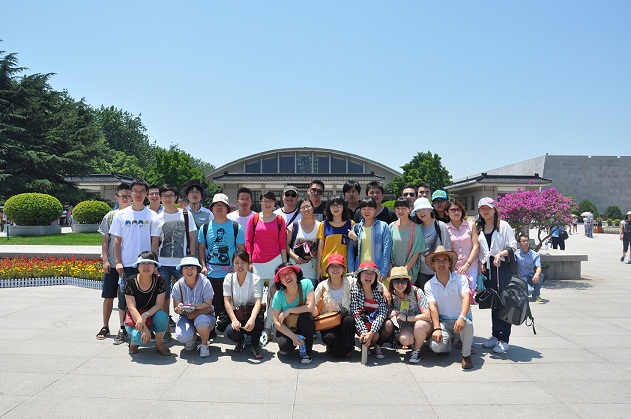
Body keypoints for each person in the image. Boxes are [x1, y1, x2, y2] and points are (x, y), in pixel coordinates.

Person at [109, 179, 160, 345]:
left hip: (146, 265)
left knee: (147, 298)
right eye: (135, 191)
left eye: (142, 191)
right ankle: (122, 329)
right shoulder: (121, 215)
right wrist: (118, 262)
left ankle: (147, 328)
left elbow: (154, 243)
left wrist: (154, 264)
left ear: (146, 194)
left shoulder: (152, 216)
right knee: (124, 298)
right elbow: (117, 241)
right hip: (127, 264)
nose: (138, 194)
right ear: (131, 193)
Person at [151, 185, 198, 341]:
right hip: (163, 264)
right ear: (161, 198)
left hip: (182, 264)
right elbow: (154, 244)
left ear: (176, 197)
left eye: (170, 195)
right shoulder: (157, 218)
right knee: (164, 299)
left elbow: (192, 238)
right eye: (164, 195)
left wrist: (192, 260)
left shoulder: (185, 214)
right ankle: (165, 330)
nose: (167, 198)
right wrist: (154, 264)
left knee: (187, 297)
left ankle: (188, 328)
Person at [476, 197, 517, 354]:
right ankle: (495, 335)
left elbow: (513, 247)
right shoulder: (479, 227)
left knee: (505, 304)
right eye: (482, 208)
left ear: (494, 210)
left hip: (503, 268)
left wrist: (500, 254)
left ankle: (504, 339)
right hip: (489, 270)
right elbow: (480, 249)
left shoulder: (503, 225)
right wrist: (480, 262)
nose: (485, 211)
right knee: (494, 303)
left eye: (488, 208)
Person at [424, 246, 474, 369]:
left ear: (450, 263)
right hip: (444, 322)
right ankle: (447, 343)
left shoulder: (461, 278)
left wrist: (462, 317)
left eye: (444, 260)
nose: (441, 264)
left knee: (467, 324)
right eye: (438, 261)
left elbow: (466, 298)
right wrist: (436, 328)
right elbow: (433, 308)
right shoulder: (429, 284)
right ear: (433, 264)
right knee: (437, 347)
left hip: (461, 321)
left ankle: (466, 355)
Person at [246, 190, 287, 333]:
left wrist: (284, 264)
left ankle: (268, 326)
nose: (268, 204)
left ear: (275, 203)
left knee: (273, 297)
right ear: (260, 202)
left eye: (270, 201)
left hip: (275, 262)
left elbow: (282, 243)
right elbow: (248, 241)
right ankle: (255, 325)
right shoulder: (254, 219)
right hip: (257, 263)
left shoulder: (280, 220)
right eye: (265, 201)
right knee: (256, 296)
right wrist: (249, 262)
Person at [198, 193, 245, 317]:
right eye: (216, 205)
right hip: (210, 273)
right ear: (211, 208)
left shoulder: (236, 227)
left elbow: (241, 250)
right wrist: (203, 266)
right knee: (211, 305)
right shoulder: (205, 227)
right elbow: (201, 248)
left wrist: (237, 267)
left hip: (229, 273)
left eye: (222, 205)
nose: (219, 208)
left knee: (229, 306)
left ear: (227, 208)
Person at [96, 183, 131, 341]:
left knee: (127, 297)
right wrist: (105, 260)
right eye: (122, 196)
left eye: (128, 196)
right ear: (117, 198)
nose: (125, 199)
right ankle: (105, 326)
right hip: (111, 262)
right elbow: (105, 240)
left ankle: (124, 327)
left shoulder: (135, 215)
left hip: (128, 263)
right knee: (109, 296)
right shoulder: (110, 216)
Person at [381, 267, 432, 364]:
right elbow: (385, 312)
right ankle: (416, 341)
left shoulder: (416, 292)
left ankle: (417, 350)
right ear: (391, 283)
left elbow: (427, 315)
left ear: (408, 282)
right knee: (404, 340)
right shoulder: (391, 296)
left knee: (419, 325)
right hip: (407, 327)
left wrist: (407, 318)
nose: (400, 284)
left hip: (423, 325)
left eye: (403, 280)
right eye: (396, 281)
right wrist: (390, 314)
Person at [124, 252, 170, 356]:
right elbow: (131, 307)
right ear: (138, 266)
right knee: (139, 338)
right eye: (143, 263)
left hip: (151, 315)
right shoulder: (130, 281)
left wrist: (145, 315)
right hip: (134, 317)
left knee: (162, 316)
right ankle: (133, 344)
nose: (146, 267)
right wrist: (143, 327)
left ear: (154, 266)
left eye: (150, 263)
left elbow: (159, 305)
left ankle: (159, 344)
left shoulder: (160, 281)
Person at [271, 263, 317, 364]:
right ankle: (293, 342)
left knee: (306, 317)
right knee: (285, 347)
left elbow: (310, 307)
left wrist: (289, 310)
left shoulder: (306, 284)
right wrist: (293, 336)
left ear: (296, 274)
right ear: (280, 281)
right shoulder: (278, 296)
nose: (287, 276)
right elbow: (276, 321)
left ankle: (307, 353)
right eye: (283, 275)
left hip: (302, 323)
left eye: (290, 272)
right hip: (286, 326)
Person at [223, 250, 265, 359]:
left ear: (248, 263)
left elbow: (258, 301)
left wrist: (252, 318)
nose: (240, 266)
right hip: (237, 314)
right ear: (233, 264)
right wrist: (233, 320)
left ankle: (254, 346)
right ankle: (240, 340)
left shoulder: (255, 279)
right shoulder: (228, 278)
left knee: (259, 320)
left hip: (251, 312)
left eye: (243, 262)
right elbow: (226, 301)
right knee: (230, 331)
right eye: (236, 263)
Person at [314, 253, 356, 358]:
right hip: (329, 322)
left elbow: (366, 282)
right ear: (327, 269)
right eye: (332, 266)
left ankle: (348, 348)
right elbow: (314, 304)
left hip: (345, 322)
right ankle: (333, 346)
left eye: (338, 266)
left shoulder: (350, 282)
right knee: (331, 340)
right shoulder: (322, 286)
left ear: (343, 269)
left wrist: (383, 289)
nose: (335, 269)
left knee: (349, 320)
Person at [172, 256, 215, 358]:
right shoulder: (178, 285)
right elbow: (176, 309)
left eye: (192, 267)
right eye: (186, 267)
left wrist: (195, 306)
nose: (189, 270)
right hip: (186, 316)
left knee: (201, 321)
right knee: (182, 336)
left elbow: (208, 304)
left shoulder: (205, 282)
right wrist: (179, 308)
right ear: (181, 270)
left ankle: (204, 344)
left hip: (204, 315)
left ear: (197, 269)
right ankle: (191, 337)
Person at [350, 261, 389, 360]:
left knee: (388, 325)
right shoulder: (355, 290)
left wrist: (371, 333)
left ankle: (378, 345)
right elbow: (356, 313)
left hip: (377, 323)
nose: (368, 276)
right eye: (365, 273)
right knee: (370, 334)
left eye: (372, 273)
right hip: (362, 322)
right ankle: (366, 343)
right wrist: (365, 332)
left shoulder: (380, 291)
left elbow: (382, 313)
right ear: (359, 275)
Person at [411, 197, 452, 290]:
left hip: (439, 271)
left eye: (424, 209)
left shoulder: (440, 225)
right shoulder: (417, 228)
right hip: (422, 272)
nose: (421, 213)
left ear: (430, 210)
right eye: (418, 211)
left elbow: (447, 248)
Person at [348, 197, 392, 279]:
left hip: (377, 270)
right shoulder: (356, 228)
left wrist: (383, 271)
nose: (366, 211)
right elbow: (350, 251)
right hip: (360, 270)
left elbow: (386, 250)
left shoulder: (383, 226)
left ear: (375, 210)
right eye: (363, 209)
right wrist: (351, 271)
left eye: (369, 209)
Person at [446, 198, 479, 299]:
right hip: (454, 269)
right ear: (447, 212)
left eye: (458, 209)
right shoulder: (445, 228)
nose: (456, 212)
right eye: (453, 210)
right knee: (456, 298)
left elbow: (476, 246)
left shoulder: (470, 225)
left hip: (470, 266)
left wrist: (467, 265)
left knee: (468, 295)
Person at [389, 197, 426, 286]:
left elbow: (417, 252)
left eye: (403, 208)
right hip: (393, 272)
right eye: (398, 208)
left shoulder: (416, 228)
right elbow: (387, 250)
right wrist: (391, 270)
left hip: (409, 273)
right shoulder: (391, 226)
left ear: (409, 209)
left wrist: (404, 271)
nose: (400, 211)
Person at [316, 195, 355, 279]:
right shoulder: (323, 224)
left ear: (343, 207)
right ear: (329, 208)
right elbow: (320, 249)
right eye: (333, 205)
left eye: (338, 205)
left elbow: (355, 247)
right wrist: (318, 267)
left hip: (344, 267)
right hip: (327, 266)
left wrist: (355, 239)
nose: (335, 208)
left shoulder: (351, 224)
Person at [287, 200, 320, 285]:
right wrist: (295, 257)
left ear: (313, 208)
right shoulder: (294, 225)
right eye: (302, 207)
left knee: (310, 292)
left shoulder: (320, 226)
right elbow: (285, 245)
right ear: (299, 210)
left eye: (308, 206)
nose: (306, 209)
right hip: (294, 268)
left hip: (312, 270)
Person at [515, 235, 545, 303]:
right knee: (529, 291)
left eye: (527, 241)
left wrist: (537, 274)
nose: (526, 243)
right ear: (519, 243)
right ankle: (521, 293)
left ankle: (536, 295)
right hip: (521, 279)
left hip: (531, 277)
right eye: (523, 241)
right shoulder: (516, 254)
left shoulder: (535, 254)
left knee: (541, 275)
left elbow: (538, 267)